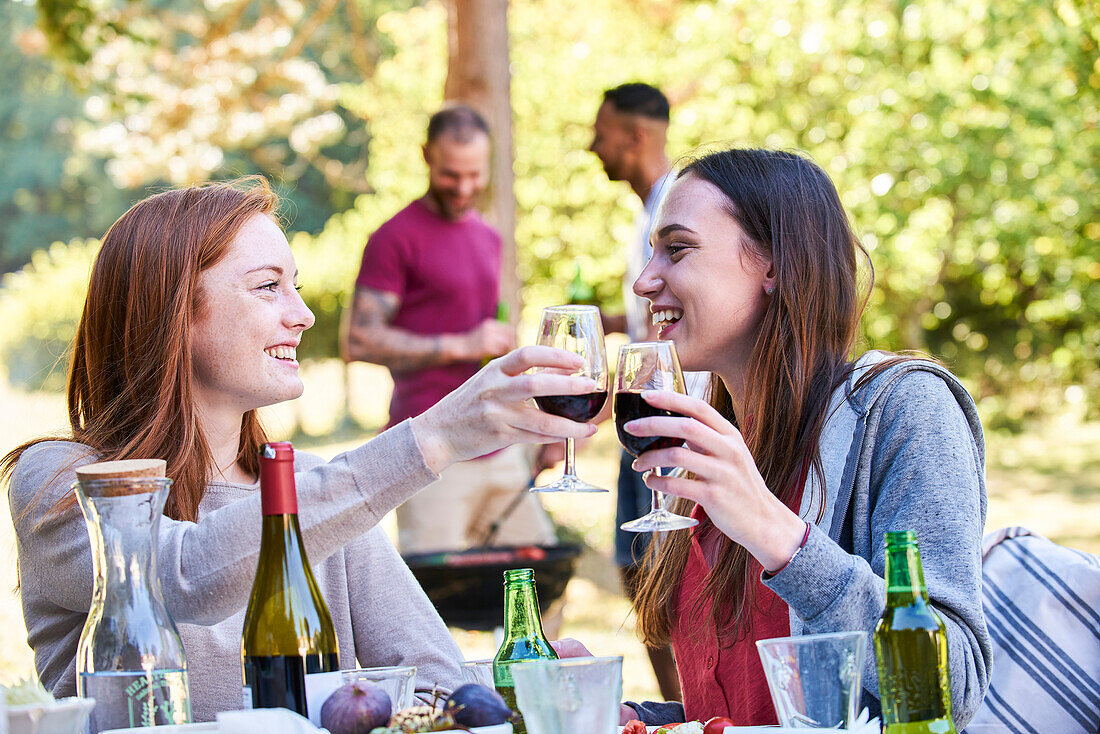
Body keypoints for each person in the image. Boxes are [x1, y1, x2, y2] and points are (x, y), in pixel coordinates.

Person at [2, 178, 599, 722]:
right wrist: (434, 436)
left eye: (297, 287)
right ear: (173, 310)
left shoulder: (318, 494)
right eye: (268, 288)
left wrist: (519, 685)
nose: (304, 315)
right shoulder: (63, 481)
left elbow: (430, 680)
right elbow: (184, 578)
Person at [554, 147, 992, 728]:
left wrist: (775, 531)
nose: (643, 281)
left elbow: (949, 686)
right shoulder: (715, 445)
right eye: (651, 251)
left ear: (776, 264)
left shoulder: (904, 412)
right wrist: (625, 713)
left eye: (677, 249)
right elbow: (746, 707)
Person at [341, 104, 557, 555]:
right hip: (429, 447)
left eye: (474, 175)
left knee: (538, 578)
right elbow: (358, 339)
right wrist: (463, 344)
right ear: (426, 156)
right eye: (450, 175)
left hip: (501, 444)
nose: (463, 188)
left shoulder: (489, 236)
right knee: (435, 600)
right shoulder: (394, 237)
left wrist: (543, 428)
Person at [588, 81, 684, 703]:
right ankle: (678, 702)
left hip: (670, 412)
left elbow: (671, 332)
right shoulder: (644, 212)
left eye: (601, 133)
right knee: (636, 561)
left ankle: (688, 703)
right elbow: (647, 318)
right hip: (642, 413)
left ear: (634, 136)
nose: (593, 146)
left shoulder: (678, 209)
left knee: (658, 564)